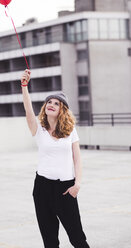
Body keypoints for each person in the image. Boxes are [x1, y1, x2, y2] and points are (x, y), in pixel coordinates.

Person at [21, 69, 90, 248]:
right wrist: (24, 86)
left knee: (78, 238)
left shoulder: (70, 130)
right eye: (49, 102)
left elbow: (77, 159)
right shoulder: (39, 130)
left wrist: (78, 184)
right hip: (42, 188)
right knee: (50, 241)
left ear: (62, 110)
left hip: (65, 188)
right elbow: (29, 111)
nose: (51, 104)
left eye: (56, 103)